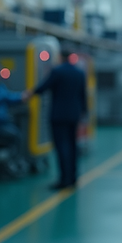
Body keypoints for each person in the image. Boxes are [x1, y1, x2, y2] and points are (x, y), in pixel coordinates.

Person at [24, 49, 89, 190]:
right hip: (74, 115)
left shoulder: (57, 71)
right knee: (72, 146)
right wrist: (84, 113)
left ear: (60, 56)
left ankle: (64, 180)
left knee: (61, 147)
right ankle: (73, 178)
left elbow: (43, 87)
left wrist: (30, 93)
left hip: (59, 115)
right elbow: (83, 95)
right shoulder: (79, 73)